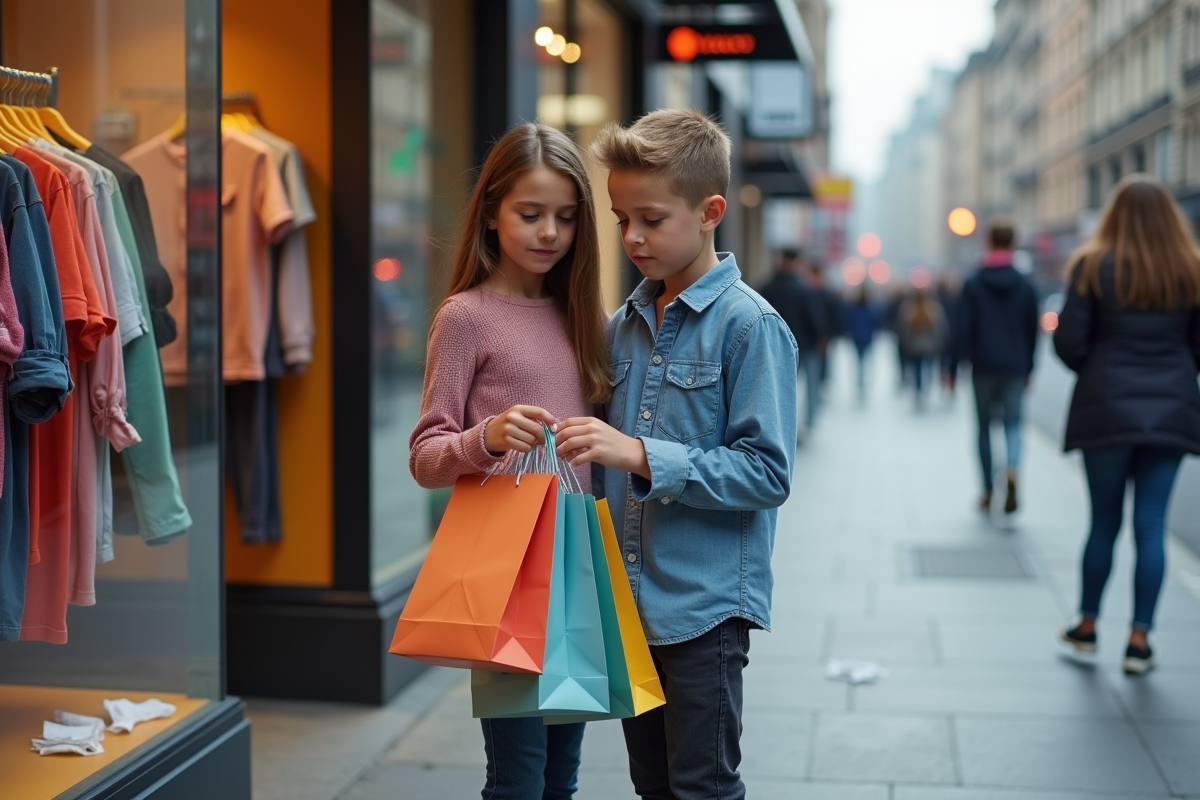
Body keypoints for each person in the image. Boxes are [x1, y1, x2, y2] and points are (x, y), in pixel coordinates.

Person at [555, 109, 798, 800]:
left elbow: (768, 472)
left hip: (704, 611)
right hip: (630, 604)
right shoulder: (623, 324)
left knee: (702, 788)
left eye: (651, 219)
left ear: (710, 211)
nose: (631, 237)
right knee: (652, 785)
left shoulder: (752, 326)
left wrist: (639, 454)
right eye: (620, 217)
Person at [407, 123, 609, 800]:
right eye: (530, 214)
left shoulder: (581, 313)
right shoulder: (465, 317)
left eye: (566, 217)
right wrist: (486, 438)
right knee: (518, 775)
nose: (549, 232)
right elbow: (425, 457)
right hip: (507, 571)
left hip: (578, 564)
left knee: (563, 775)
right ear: (492, 213)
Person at [1054, 174, 1200, 675]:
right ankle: (1140, 641)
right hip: (1172, 408)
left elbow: (1070, 344)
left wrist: (1103, 368)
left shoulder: (1091, 266)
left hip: (1107, 407)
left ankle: (1088, 626)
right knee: (1152, 525)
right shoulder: (1190, 269)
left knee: (1104, 522)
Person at [953, 220, 1039, 515]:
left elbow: (962, 329)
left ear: (988, 242)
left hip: (983, 365)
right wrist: (1029, 367)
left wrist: (952, 368)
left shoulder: (974, 283)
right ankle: (1012, 468)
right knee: (1014, 425)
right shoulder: (1026, 284)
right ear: (1013, 243)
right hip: (1015, 366)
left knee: (984, 429)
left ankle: (988, 490)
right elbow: (1032, 331)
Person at [759, 248, 823, 437]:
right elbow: (813, 318)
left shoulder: (766, 287)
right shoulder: (804, 289)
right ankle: (809, 421)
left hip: (772, 344)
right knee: (809, 383)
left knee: (778, 388)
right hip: (803, 344)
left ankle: (778, 427)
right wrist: (819, 337)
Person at [895, 288, 948, 408]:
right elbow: (940, 329)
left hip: (913, 346)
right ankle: (926, 388)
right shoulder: (934, 308)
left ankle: (919, 389)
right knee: (928, 367)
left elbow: (903, 330)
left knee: (916, 369)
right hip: (929, 346)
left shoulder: (908, 309)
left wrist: (905, 344)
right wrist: (939, 342)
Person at [844, 285, 881, 395]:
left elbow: (849, 322)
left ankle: (860, 381)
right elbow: (875, 323)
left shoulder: (853, 309)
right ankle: (863, 381)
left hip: (857, 337)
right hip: (867, 337)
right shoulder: (871, 309)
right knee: (865, 359)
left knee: (859, 359)